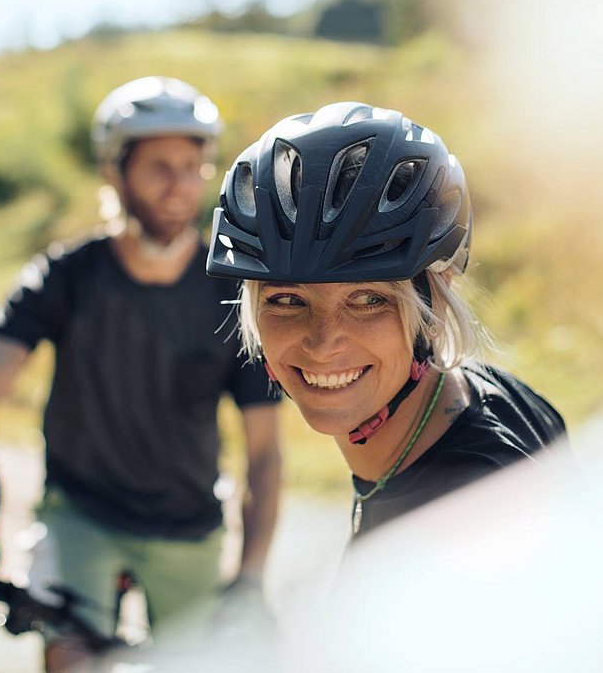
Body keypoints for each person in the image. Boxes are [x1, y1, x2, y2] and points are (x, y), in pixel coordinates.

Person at [0, 76, 283, 671]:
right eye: (158, 168)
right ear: (114, 172)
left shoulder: (234, 295)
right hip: (80, 516)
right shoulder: (65, 276)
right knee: (70, 658)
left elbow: (266, 454)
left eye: (192, 167)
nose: (179, 187)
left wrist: (250, 578)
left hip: (189, 525)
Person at [206, 101, 566, 538]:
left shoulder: (464, 523)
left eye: (368, 299)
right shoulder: (485, 394)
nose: (322, 343)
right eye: (286, 300)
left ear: (438, 291)